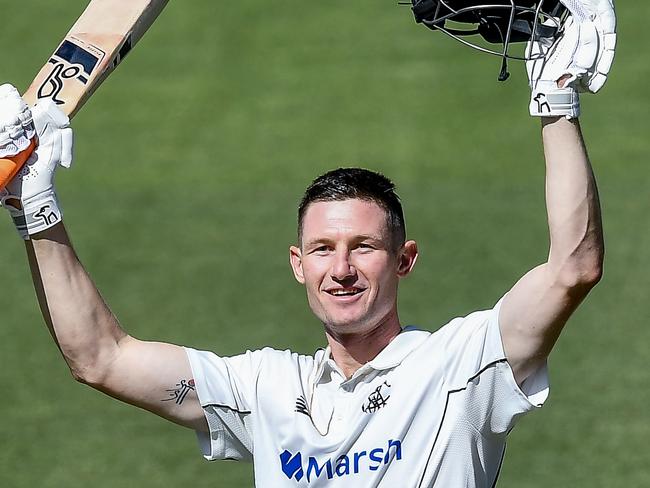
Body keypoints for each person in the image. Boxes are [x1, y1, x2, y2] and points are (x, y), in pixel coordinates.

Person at [0, 1, 615, 486]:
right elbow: (101, 358)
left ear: (405, 260)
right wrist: (34, 206)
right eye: (322, 249)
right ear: (297, 265)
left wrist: (557, 99)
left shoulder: (460, 368)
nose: (341, 269)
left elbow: (574, 267)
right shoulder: (263, 391)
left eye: (363, 248)